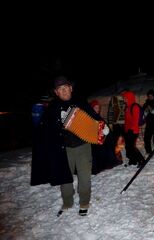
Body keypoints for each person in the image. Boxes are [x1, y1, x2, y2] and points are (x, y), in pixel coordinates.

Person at [31, 76, 110, 217]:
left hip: (83, 146)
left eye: (66, 87)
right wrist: (58, 122)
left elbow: (94, 117)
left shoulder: (81, 102)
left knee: (84, 177)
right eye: (60, 89)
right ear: (56, 92)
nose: (64, 91)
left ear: (71, 88)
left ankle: (84, 202)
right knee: (65, 178)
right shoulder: (52, 109)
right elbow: (44, 130)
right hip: (63, 149)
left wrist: (103, 127)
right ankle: (67, 202)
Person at [90, 100, 123, 174]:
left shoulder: (98, 116)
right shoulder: (90, 117)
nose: (97, 109)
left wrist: (106, 132)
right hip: (95, 142)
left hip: (102, 139)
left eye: (98, 108)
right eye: (95, 107)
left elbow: (104, 127)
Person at [121, 90, 145, 167]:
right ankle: (133, 160)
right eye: (124, 98)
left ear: (129, 98)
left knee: (131, 147)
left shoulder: (135, 107)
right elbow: (127, 121)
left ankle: (141, 160)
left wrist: (132, 131)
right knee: (128, 146)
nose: (124, 99)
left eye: (125, 98)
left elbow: (135, 120)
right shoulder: (127, 107)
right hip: (128, 130)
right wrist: (125, 130)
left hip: (133, 130)